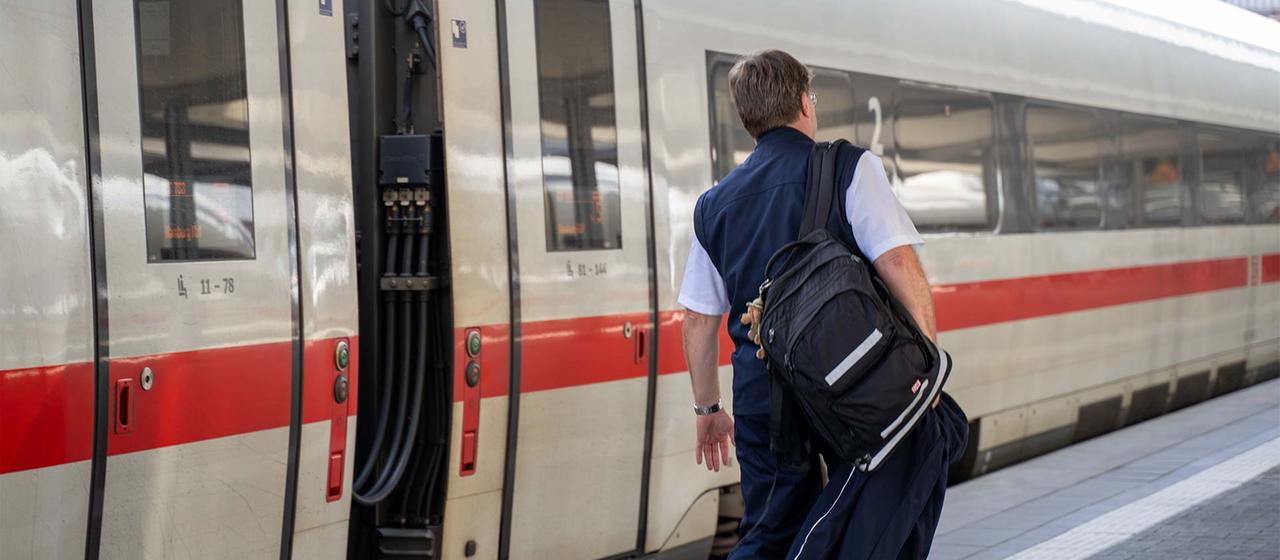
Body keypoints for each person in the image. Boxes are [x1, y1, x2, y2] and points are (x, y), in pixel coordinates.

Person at [678, 49, 967, 559]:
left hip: (762, 393)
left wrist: (708, 408)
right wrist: (925, 371)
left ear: (749, 120)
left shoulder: (713, 205)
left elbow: (699, 320)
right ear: (803, 105)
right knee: (908, 459)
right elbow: (899, 266)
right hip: (851, 379)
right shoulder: (848, 168)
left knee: (768, 530)